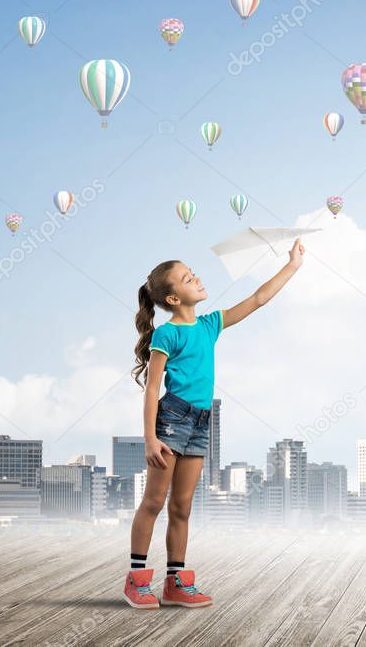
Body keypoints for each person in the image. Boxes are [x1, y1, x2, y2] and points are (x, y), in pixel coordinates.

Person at [123, 238, 305, 609]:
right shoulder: (167, 333)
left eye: (193, 274)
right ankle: (137, 580)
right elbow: (152, 387)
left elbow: (257, 300)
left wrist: (292, 266)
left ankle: (175, 583)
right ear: (173, 299)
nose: (197, 279)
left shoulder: (210, 325)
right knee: (155, 501)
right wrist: (149, 439)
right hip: (171, 419)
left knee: (183, 506)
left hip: (202, 421)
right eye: (188, 279)